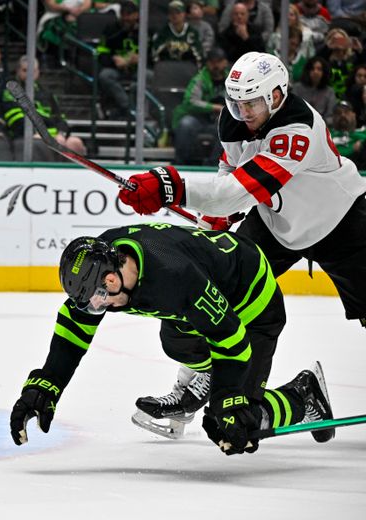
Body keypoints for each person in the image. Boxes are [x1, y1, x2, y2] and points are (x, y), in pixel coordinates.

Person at [117, 52, 366, 433]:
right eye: (235, 102)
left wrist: (173, 187)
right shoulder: (236, 119)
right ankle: (201, 381)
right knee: (213, 294)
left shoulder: (298, 128)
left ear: (277, 96)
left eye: (250, 102)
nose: (241, 111)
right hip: (274, 224)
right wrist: (211, 227)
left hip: (342, 221)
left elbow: (237, 191)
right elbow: (229, 172)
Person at [9, 227, 336, 454]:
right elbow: (75, 328)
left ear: (111, 279)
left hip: (251, 305)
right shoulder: (109, 261)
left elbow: (230, 337)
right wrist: (46, 385)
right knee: (175, 341)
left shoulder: (175, 278)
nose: (98, 307)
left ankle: (304, 396)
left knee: (240, 422)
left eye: (99, 298)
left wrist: (227, 398)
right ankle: (208, 376)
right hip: (205, 298)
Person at [1, 55, 86, 155]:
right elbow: (17, 120)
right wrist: (38, 132)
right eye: (25, 70)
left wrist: (61, 134)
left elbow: (60, 118)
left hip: (52, 135)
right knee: (44, 142)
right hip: (28, 135)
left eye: (32, 71)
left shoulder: (47, 94)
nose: (29, 74)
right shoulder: (11, 92)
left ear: (37, 73)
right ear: (18, 71)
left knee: (75, 143)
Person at [171, 47, 229, 165]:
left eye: (219, 61)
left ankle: (214, 164)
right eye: (212, 62)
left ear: (225, 63)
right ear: (207, 63)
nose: (215, 65)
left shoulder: (232, 81)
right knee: (185, 124)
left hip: (219, 121)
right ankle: (183, 163)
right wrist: (215, 107)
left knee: (229, 128)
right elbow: (190, 101)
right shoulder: (199, 79)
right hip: (199, 118)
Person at [292, 57, 337, 126]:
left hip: (322, 126)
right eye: (312, 69)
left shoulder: (329, 92)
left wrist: (320, 123)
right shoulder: (297, 88)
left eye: (319, 69)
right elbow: (292, 110)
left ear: (324, 72)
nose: (315, 72)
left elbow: (331, 115)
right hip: (299, 125)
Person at [329, 100, 366, 168]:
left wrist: (362, 144)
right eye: (338, 113)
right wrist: (352, 149)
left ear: (354, 115)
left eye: (346, 112)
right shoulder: (327, 135)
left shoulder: (363, 132)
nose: (342, 115)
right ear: (333, 117)